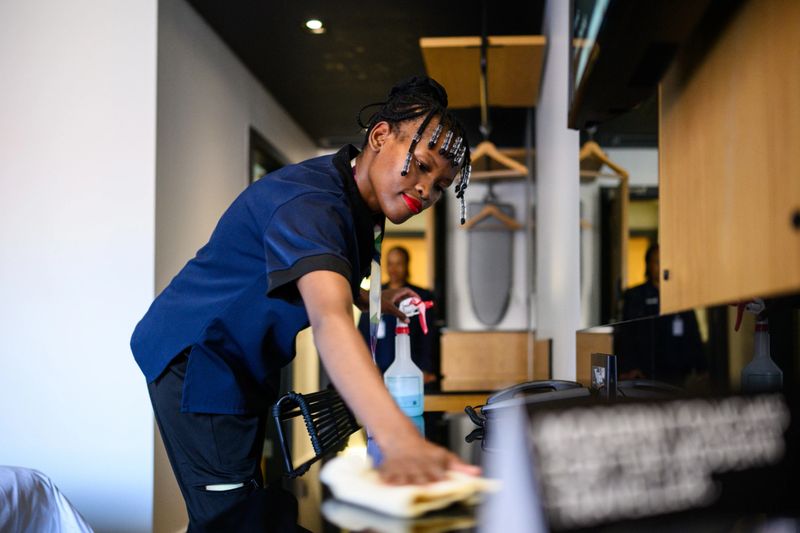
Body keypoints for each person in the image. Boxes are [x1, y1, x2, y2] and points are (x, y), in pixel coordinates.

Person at [130, 76, 479, 531]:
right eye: (422, 166)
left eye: (440, 185)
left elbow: (315, 273)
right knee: (231, 517)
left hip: (242, 356)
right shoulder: (313, 203)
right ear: (379, 135)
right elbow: (330, 319)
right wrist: (399, 439)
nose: (426, 191)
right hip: (199, 357)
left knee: (240, 503)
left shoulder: (359, 200)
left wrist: (372, 297)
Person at [616, 243, 707, 385]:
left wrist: (701, 367)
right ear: (648, 264)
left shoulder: (680, 295)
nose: (661, 266)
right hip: (644, 370)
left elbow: (693, 332)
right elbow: (626, 333)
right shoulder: (635, 295)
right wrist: (628, 367)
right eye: (657, 262)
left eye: (665, 262)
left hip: (677, 371)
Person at [357, 246, 439, 385]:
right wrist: (369, 365)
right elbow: (363, 334)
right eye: (390, 264)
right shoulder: (375, 295)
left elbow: (428, 336)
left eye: (399, 263)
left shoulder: (420, 296)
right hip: (380, 370)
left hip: (412, 367)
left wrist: (426, 368)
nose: (394, 269)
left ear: (407, 265)